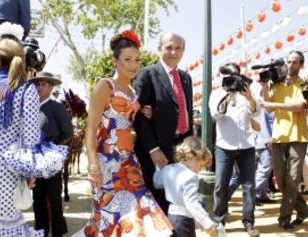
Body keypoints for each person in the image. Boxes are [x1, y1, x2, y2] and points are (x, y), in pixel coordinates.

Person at [76, 30, 173, 236]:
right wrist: (92, 163)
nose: (134, 64)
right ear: (115, 61)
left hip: (129, 163)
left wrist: (143, 112)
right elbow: (92, 128)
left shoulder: (133, 92)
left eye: (137, 60)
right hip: (106, 163)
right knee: (109, 219)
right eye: (127, 59)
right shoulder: (105, 86)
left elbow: (129, 124)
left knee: (142, 213)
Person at [0, 35, 66, 236]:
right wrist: (30, 174)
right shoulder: (26, 91)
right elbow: (31, 139)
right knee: (7, 228)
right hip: (6, 172)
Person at [134, 32, 193, 213]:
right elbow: (137, 116)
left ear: (183, 51)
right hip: (156, 150)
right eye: (169, 47)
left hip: (181, 148)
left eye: (178, 48)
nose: (173, 52)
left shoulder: (185, 78)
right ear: (160, 49)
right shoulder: (146, 74)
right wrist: (153, 149)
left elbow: (186, 111)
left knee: (177, 201)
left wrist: (190, 143)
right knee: (156, 201)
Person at [260, 51, 308, 230]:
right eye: (289, 61)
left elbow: (299, 107)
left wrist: (274, 105)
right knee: (281, 180)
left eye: (294, 62)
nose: (290, 65)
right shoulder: (276, 84)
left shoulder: (305, 84)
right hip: (278, 137)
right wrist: (263, 86)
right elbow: (268, 108)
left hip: (298, 137)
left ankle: (284, 218)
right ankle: (304, 210)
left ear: (301, 64)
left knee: (291, 180)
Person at [209, 62, 260, 237]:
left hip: (247, 145)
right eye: (228, 76)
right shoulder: (216, 93)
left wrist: (251, 98)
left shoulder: (247, 92)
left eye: (235, 75)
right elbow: (216, 114)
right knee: (220, 185)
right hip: (224, 146)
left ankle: (249, 222)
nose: (232, 79)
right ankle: (219, 221)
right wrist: (229, 95)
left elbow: (256, 114)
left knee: (249, 186)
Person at [28, 71, 73, 237]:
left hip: (51, 160)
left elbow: (68, 133)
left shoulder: (57, 107)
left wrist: (54, 153)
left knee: (54, 199)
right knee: (37, 199)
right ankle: (41, 232)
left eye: (44, 84)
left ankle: (57, 233)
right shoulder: (31, 107)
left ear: (51, 87)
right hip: (34, 160)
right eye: (38, 84)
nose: (40, 87)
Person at [153, 137, 218, 237]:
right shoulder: (190, 177)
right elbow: (191, 204)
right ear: (190, 156)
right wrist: (208, 224)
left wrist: (158, 168)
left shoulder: (168, 169)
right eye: (200, 165)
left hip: (171, 218)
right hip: (184, 220)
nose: (199, 170)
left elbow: (157, 183)